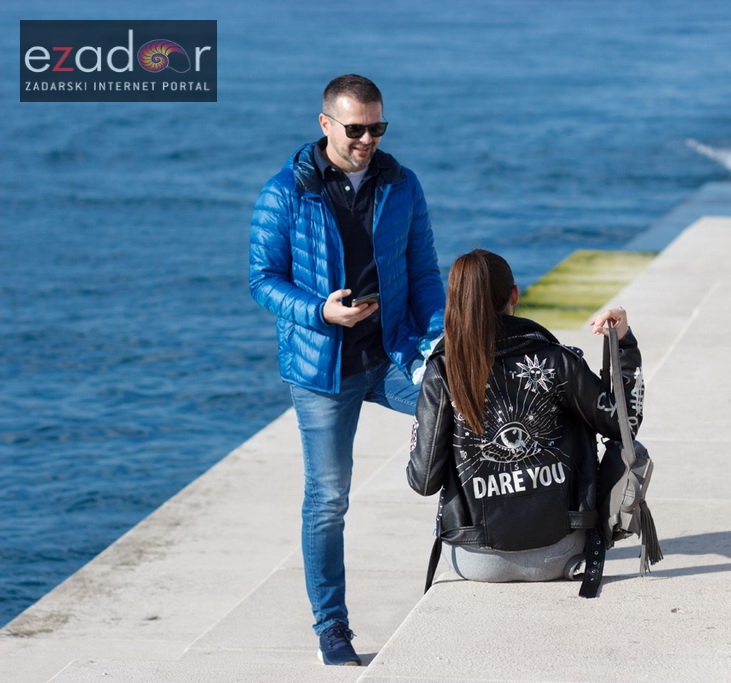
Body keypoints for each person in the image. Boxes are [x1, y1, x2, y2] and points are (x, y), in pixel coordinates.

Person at [249, 74, 445, 666]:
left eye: (377, 128)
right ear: (326, 124)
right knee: (329, 499)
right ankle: (332, 629)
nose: (367, 140)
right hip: (321, 370)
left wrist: (436, 339)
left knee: (469, 416)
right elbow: (263, 280)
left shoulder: (401, 185)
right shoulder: (286, 192)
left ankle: (486, 542)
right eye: (355, 129)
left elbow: (425, 272)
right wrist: (319, 310)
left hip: (392, 354)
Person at [407, 250, 643, 587]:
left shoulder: (442, 371)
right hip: (561, 551)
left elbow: (423, 480)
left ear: (455, 301)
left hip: (475, 559)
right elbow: (626, 425)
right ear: (514, 295)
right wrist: (622, 344)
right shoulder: (556, 360)